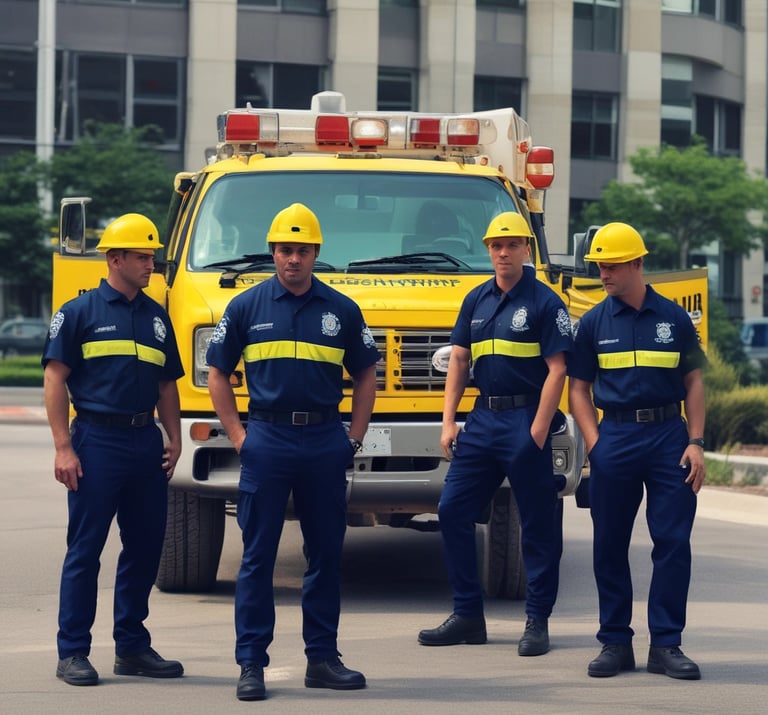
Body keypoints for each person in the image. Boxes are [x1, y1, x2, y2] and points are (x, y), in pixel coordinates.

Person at [206, 202, 380, 701]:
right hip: (268, 439)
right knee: (258, 557)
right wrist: (240, 437)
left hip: (326, 440)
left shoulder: (342, 310)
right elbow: (217, 373)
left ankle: (322, 658)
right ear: (273, 253)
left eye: (303, 250)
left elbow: (367, 372)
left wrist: (354, 436)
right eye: (285, 250)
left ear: (316, 253)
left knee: (325, 553)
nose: (294, 259)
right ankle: (250, 664)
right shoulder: (245, 307)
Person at [418, 212, 573, 655]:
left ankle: (537, 621)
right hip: (483, 419)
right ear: (488, 249)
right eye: (496, 246)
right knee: (452, 510)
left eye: (512, 245)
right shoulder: (476, 300)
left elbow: (558, 369)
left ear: (527, 248)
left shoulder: (546, 303)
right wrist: (449, 421)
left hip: (527, 421)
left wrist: (539, 431)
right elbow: (460, 362)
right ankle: (468, 615)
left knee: (538, 526)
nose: (503, 253)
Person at [43, 213, 185, 686]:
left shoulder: (156, 317)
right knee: (86, 549)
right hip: (97, 441)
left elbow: (167, 384)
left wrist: (175, 436)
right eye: (143, 257)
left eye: (152, 257)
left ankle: (132, 646)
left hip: (145, 442)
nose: (151, 265)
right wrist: (64, 447)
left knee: (145, 547)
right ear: (115, 258)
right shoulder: (78, 312)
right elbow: (55, 379)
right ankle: (73, 652)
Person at [567, 222, 706, 680]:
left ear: (637, 264)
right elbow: (579, 388)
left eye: (611, 266)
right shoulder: (592, 323)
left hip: (669, 436)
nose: (603, 274)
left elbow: (694, 382)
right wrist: (594, 444)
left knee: (673, 543)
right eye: (599, 267)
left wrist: (697, 442)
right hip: (616, 440)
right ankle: (614, 642)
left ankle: (666, 645)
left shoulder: (674, 318)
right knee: (609, 543)